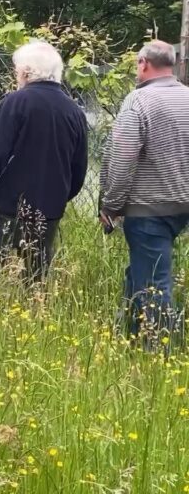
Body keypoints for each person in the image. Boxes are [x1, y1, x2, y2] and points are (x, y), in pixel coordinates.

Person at [0, 40, 88, 282]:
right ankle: (35, 309)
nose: (16, 73)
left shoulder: (14, 102)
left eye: (16, 68)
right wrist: (61, 196)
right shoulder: (74, 111)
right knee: (37, 270)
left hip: (4, 205)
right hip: (49, 206)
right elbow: (79, 166)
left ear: (26, 71)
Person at [100, 40, 189, 347]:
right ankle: (127, 335)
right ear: (174, 64)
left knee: (154, 282)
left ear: (143, 64)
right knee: (141, 270)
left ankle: (160, 352)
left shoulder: (139, 101)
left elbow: (123, 157)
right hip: (182, 204)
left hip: (149, 207)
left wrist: (111, 204)